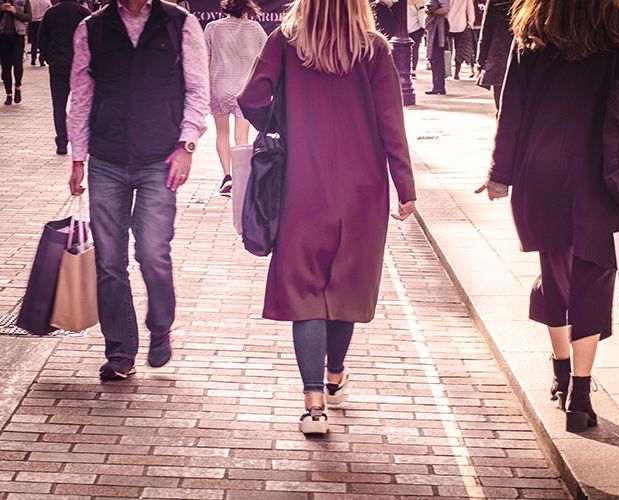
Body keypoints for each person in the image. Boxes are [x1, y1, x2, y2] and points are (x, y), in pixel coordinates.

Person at [477, 0, 619, 433]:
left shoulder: (534, 32)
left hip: (542, 173)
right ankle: (580, 394)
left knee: (555, 276)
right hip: (604, 177)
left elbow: (512, 111)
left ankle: (559, 374)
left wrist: (499, 175)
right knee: (594, 277)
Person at [238, 0, 417, 435]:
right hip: (363, 189)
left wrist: (286, 124)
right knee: (346, 287)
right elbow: (392, 123)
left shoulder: (286, 41)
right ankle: (335, 376)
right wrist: (405, 188)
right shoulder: (373, 48)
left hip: (302, 185)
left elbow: (251, 99)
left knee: (305, 292)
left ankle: (313, 404)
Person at [67, 0, 209, 380]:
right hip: (107, 159)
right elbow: (81, 95)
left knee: (152, 252)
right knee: (109, 262)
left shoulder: (179, 23)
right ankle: (120, 352)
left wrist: (186, 146)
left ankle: (160, 326)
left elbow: (197, 90)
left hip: (160, 160)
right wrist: (78, 157)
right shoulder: (91, 28)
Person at [205, 0, 266, 196]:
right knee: (242, 137)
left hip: (219, 86)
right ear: (248, 8)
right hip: (244, 89)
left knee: (222, 133)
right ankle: (241, 179)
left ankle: (226, 175)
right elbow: (266, 56)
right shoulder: (255, 29)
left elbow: (205, 58)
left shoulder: (212, 28)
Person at [38, 0, 90, 155]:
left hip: (58, 66)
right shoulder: (84, 13)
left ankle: (62, 142)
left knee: (59, 105)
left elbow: (42, 38)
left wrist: (48, 58)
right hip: (80, 67)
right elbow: (93, 38)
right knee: (82, 105)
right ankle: (81, 140)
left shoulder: (51, 13)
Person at [475, 0, 512, 110]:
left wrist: (480, 62)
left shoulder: (494, 2)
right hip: (524, 61)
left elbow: (486, 34)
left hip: (499, 59)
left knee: (501, 109)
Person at [0, 0, 32, 105]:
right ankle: (9, 94)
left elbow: (29, 17)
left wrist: (15, 12)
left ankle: (18, 87)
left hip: (18, 36)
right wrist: (1, 9)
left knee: (18, 64)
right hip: (3, 36)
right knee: (5, 66)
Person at [425, 0, 449, 94]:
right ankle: (437, 86)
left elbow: (445, 9)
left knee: (437, 58)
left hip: (439, 27)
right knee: (435, 58)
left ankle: (438, 86)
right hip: (436, 26)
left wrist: (432, 10)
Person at [447, 0, 474, 79]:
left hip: (447, 24)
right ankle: (457, 72)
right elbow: (470, 9)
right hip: (461, 24)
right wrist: (470, 22)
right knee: (460, 50)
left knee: (447, 50)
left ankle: (447, 71)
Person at [28, 0, 51, 66]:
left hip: (32, 22)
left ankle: (33, 58)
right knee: (42, 41)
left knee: (34, 41)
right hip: (42, 21)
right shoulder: (46, 1)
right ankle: (42, 59)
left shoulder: (31, 1)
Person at [408, 0, 425, 78]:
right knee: (415, 49)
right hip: (416, 28)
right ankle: (413, 70)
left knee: (406, 50)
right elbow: (421, 14)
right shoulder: (419, 2)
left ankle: (407, 68)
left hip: (405, 28)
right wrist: (423, 27)